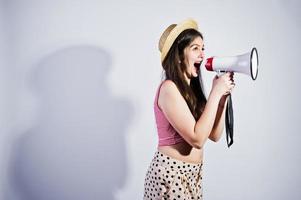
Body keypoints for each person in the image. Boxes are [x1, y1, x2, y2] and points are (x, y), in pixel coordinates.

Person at [143, 19, 235, 200]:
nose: (203, 55)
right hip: (170, 175)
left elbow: (214, 135)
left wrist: (222, 98)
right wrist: (215, 93)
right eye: (195, 48)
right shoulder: (169, 88)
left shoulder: (192, 92)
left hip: (193, 176)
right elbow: (197, 139)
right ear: (178, 56)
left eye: (203, 48)